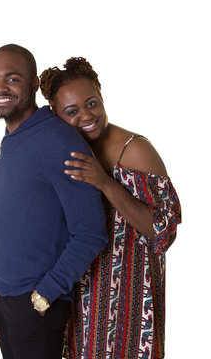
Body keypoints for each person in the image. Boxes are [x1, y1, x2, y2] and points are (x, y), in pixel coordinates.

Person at [40, 57, 182, 359]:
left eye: (92, 103)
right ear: (56, 116)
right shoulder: (65, 153)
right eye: (72, 112)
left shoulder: (136, 152)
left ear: (101, 95)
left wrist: (104, 183)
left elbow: (164, 233)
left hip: (130, 313)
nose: (86, 116)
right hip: (79, 307)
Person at [0, 45, 108, 359]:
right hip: (5, 295)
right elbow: (9, 225)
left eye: (12, 79)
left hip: (36, 304)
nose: (0, 88)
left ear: (34, 84)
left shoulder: (60, 141)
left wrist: (44, 295)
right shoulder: (13, 140)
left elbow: (91, 234)